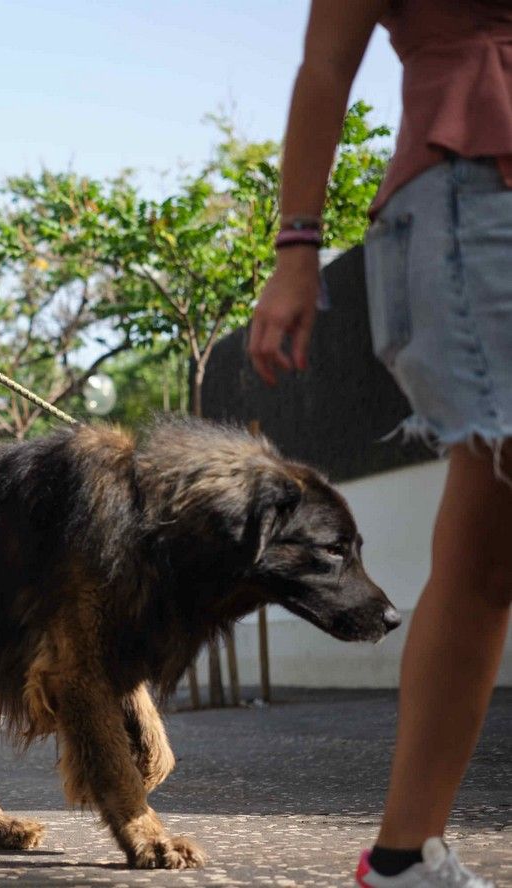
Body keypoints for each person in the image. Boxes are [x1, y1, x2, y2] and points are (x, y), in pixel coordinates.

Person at [248, 3, 510, 885]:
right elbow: (326, 65)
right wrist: (296, 250)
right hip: (476, 189)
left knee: (486, 548)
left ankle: (402, 858)